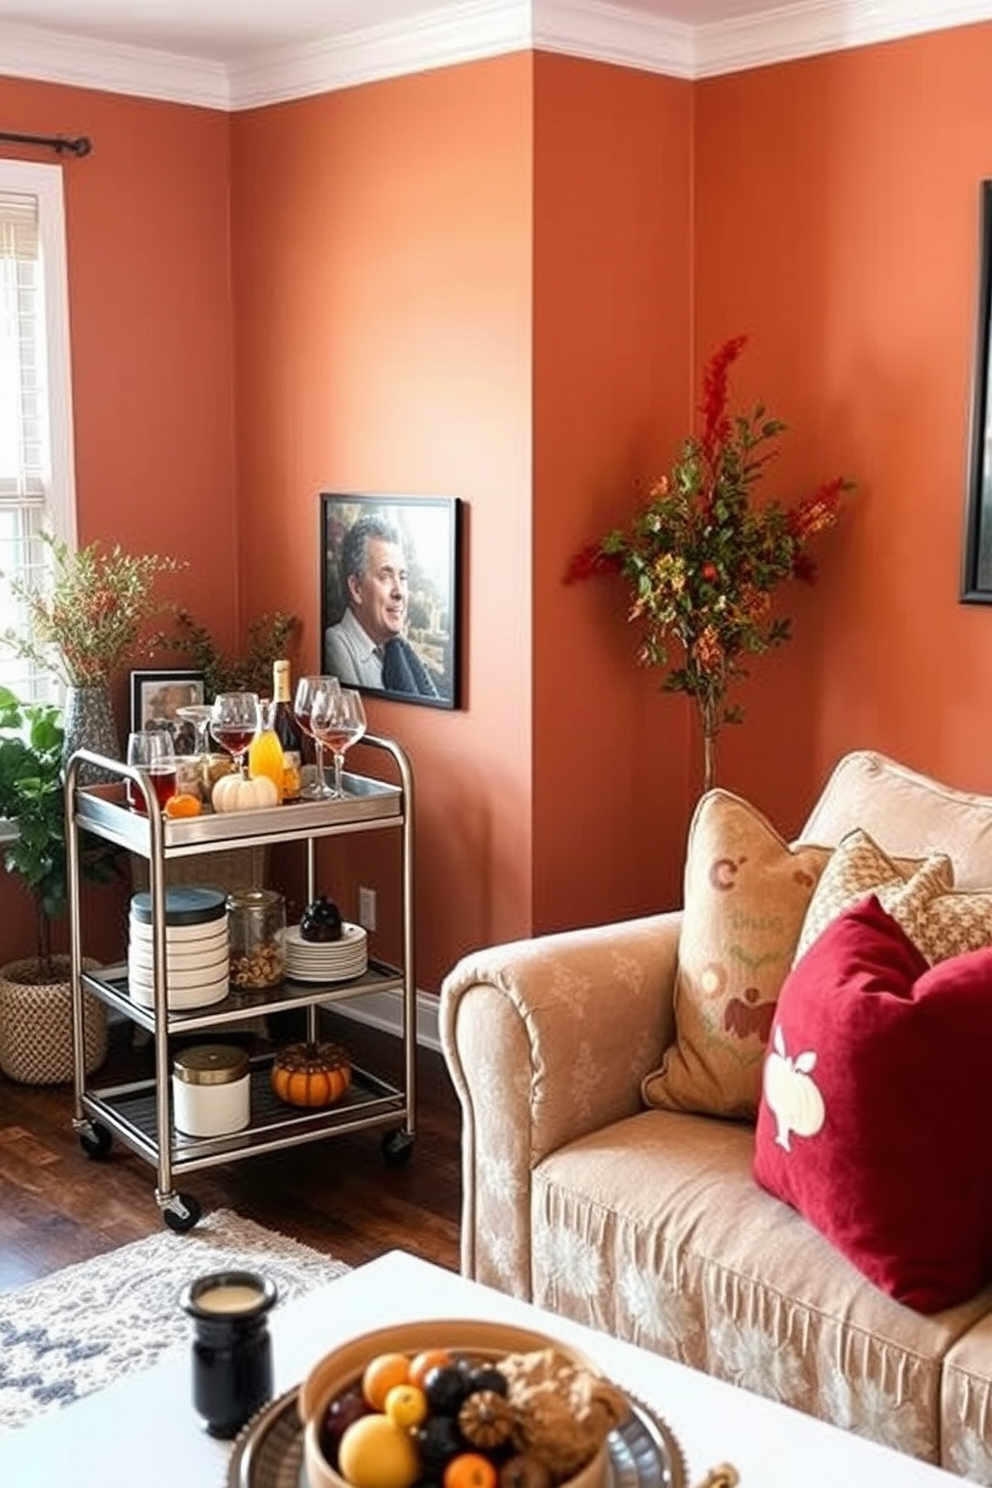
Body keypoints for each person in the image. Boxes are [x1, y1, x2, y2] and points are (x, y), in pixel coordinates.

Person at [324, 514, 440, 698]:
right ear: (356, 588)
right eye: (385, 576)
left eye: (402, 577)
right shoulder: (335, 645)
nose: (399, 592)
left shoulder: (399, 649)